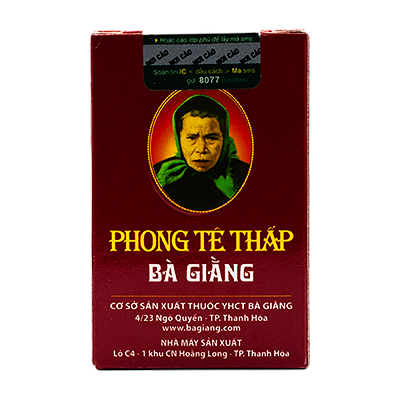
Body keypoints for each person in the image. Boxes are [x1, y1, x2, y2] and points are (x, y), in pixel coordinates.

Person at [153, 95, 249, 211]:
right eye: (192, 138)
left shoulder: (246, 174)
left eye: (211, 138)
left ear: (224, 140)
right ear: (179, 139)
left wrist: (237, 195)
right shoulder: (160, 174)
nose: (201, 149)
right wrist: (158, 188)